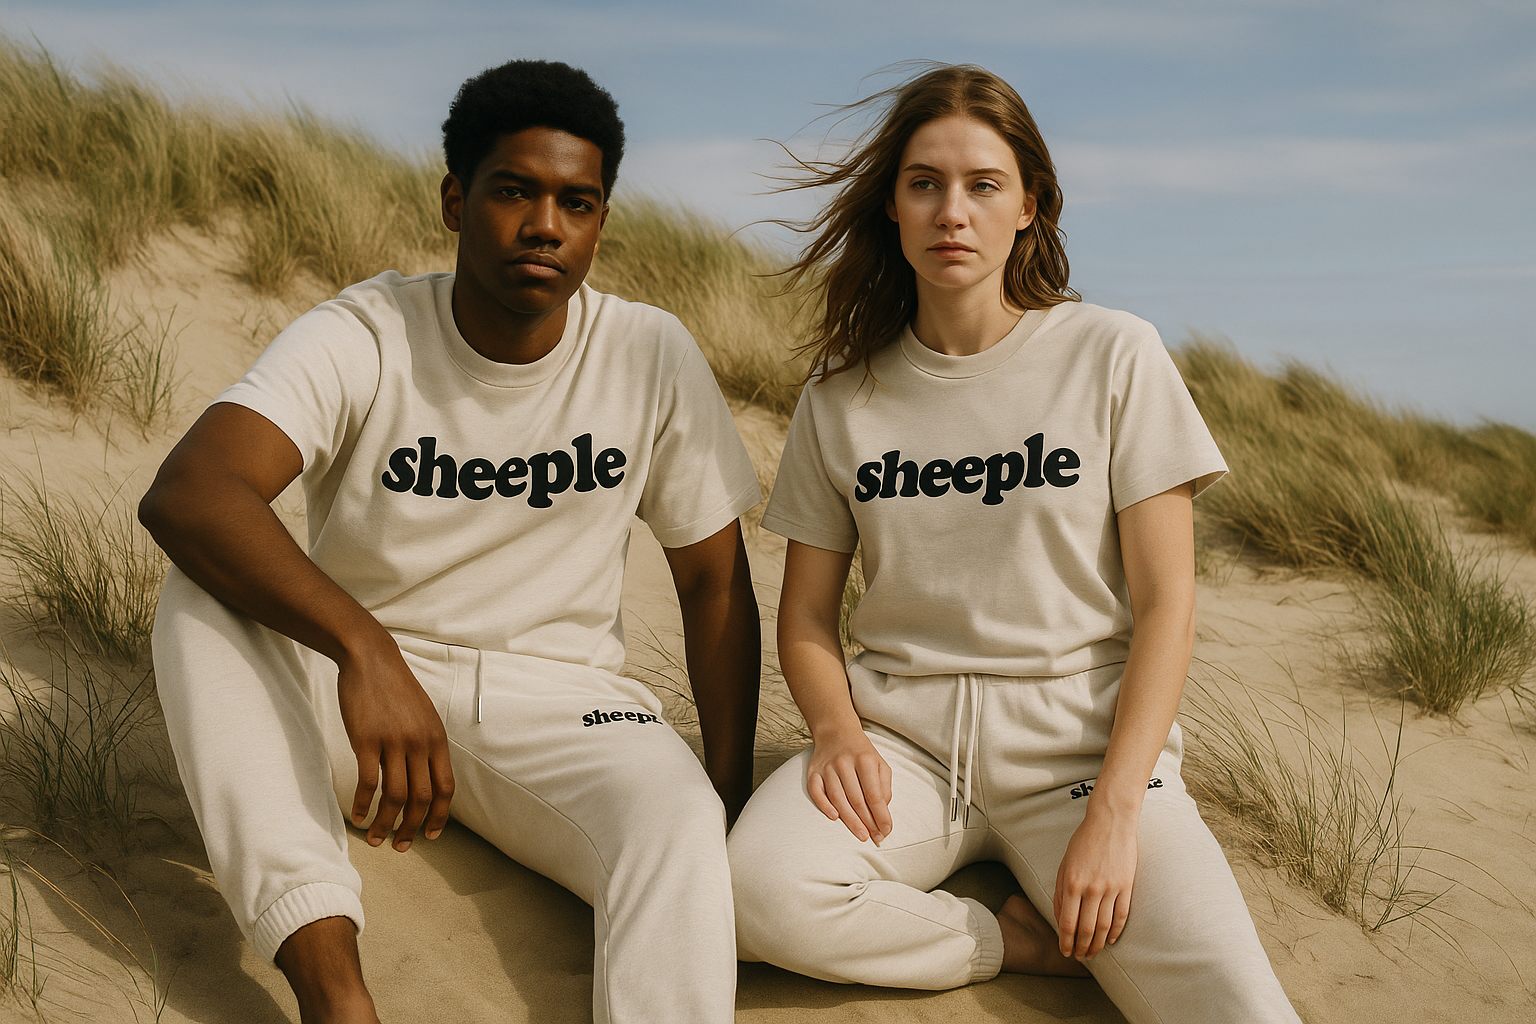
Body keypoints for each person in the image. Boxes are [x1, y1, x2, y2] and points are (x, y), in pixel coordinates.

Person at [139, 60, 762, 1024]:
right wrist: (365, 647)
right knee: (199, 600)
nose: (546, 225)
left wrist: (725, 795)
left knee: (674, 818)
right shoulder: (370, 329)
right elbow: (192, 491)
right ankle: (333, 992)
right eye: (515, 190)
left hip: (562, 705)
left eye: (578, 202)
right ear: (455, 198)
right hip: (365, 709)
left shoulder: (648, 352)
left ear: (600, 220)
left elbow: (716, 582)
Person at [726, 64, 1302, 1023]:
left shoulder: (1114, 355)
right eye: (925, 184)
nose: (953, 211)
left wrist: (1118, 811)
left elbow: (1168, 608)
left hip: (1082, 752)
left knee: (1237, 1005)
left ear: (1029, 205)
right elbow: (807, 625)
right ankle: (1015, 940)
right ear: (894, 208)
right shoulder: (839, 403)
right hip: (901, 750)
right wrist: (835, 731)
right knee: (759, 890)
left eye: (983, 185)